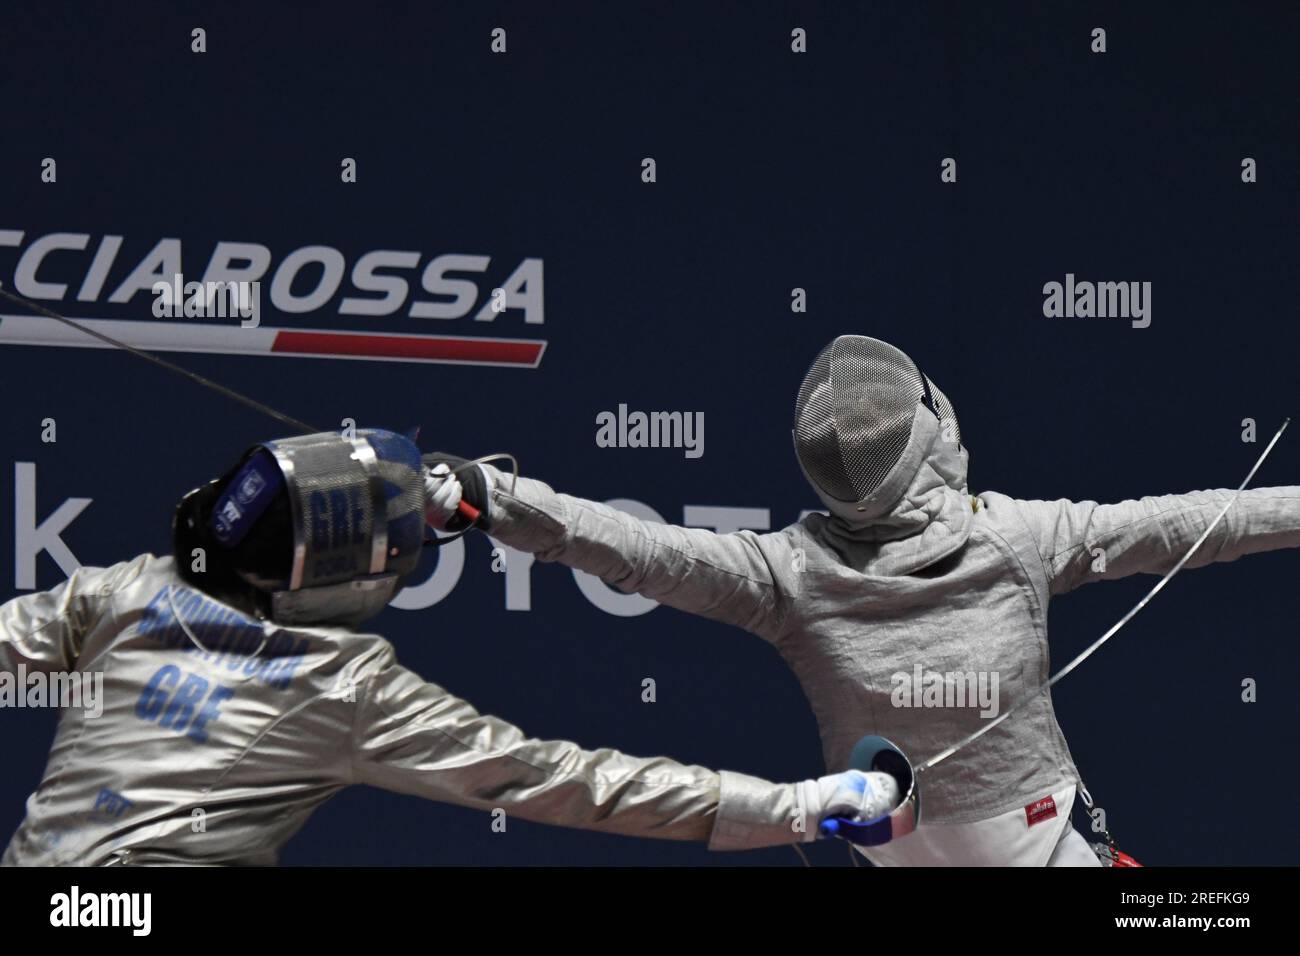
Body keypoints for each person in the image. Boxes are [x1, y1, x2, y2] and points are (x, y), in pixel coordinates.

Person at [425, 335, 1300, 866]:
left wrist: (490, 499)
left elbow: (635, 551)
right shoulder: (1021, 536)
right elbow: (1206, 523)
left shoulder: (787, 575)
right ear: (938, 434)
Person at [0, 428, 894, 866]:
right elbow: (558, 779)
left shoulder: (128, 588)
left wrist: (426, 490)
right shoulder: (337, 683)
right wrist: (801, 805)